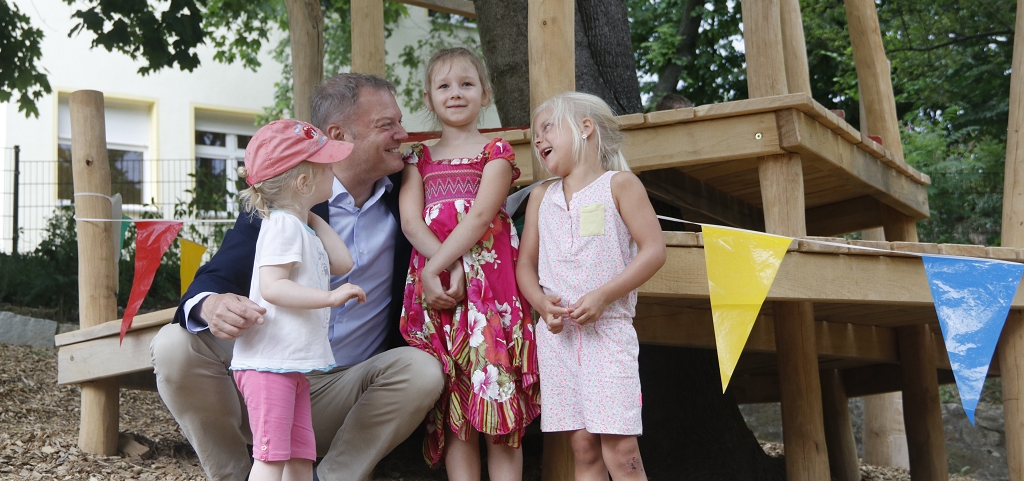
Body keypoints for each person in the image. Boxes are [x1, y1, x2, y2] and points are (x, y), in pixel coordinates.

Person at [150, 74, 445, 481]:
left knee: (422, 370)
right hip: (268, 376)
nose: (402, 133)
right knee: (173, 346)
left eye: (400, 122)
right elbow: (215, 275)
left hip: (341, 387)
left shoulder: (410, 195)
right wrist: (212, 304)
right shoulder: (284, 203)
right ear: (339, 134)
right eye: (386, 125)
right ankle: (236, 474)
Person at [399, 48, 539, 481]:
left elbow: (480, 218)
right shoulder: (417, 158)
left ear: (485, 93)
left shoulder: (496, 152)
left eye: (466, 84)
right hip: (440, 294)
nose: (455, 93)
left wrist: (436, 265)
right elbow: (410, 220)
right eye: (444, 86)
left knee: (498, 409)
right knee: (455, 405)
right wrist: (441, 269)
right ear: (428, 97)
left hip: (488, 297)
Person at [516, 92, 666, 481]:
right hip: (558, 340)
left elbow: (653, 251)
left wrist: (603, 295)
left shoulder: (620, 185)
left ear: (585, 128)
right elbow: (525, 267)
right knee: (582, 447)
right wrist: (540, 303)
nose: (537, 139)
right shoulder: (539, 197)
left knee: (621, 449)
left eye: (547, 127)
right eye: (535, 135)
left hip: (608, 335)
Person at [230, 119, 366, 481]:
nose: (334, 172)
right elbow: (273, 286)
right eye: (326, 167)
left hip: (288, 367)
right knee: (272, 458)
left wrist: (315, 220)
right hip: (268, 365)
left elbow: (343, 262)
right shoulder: (283, 227)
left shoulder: (300, 225)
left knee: (300, 457)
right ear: (304, 183)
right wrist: (329, 297)